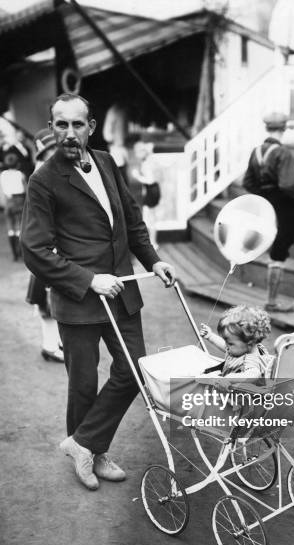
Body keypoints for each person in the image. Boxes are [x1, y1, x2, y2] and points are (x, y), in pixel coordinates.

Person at [21, 93, 176, 491]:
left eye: (77, 124)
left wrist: (153, 260)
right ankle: (93, 453)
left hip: (121, 289)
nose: (69, 133)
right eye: (61, 125)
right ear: (52, 127)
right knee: (83, 384)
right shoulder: (43, 181)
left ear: (91, 127)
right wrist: (89, 280)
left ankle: (84, 443)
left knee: (134, 371)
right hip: (80, 298)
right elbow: (34, 250)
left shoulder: (106, 161)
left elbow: (131, 219)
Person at [243, 112, 294, 313]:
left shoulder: (256, 152)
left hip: (266, 202)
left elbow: (248, 182)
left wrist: (263, 195)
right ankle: (271, 302)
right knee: (286, 237)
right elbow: (288, 184)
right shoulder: (282, 153)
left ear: (267, 129)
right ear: (283, 129)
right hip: (284, 201)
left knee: (290, 229)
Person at [25, 128, 64, 363]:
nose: (54, 152)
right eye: (49, 149)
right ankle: (50, 345)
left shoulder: (53, 172)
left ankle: (52, 342)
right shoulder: (41, 176)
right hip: (46, 246)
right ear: (41, 153)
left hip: (51, 245)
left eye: (55, 147)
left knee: (49, 301)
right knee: (46, 301)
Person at [200, 305, 273, 379]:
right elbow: (225, 347)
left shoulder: (251, 359)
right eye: (227, 341)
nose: (227, 346)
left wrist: (231, 378)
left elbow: (254, 374)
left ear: (250, 343)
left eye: (230, 343)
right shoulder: (241, 347)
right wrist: (210, 336)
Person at [131, 140, 161, 250]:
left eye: (137, 152)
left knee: (150, 218)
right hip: (153, 190)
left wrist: (137, 176)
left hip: (151, 190)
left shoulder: (147, 163)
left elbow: (150, 180)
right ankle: (152, 242)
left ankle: (153, 243)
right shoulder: (149, 160)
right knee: (149, 217)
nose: (136, 155)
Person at [0, 150, 26, 261]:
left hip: (8, 200)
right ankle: (20, 253)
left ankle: (14, 254)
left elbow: (2, 190)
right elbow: (25, 188)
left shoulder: (3, 174)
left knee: (10, 227)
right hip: (19, 200)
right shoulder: (20, 174)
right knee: (20, 226)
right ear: (17, 163)